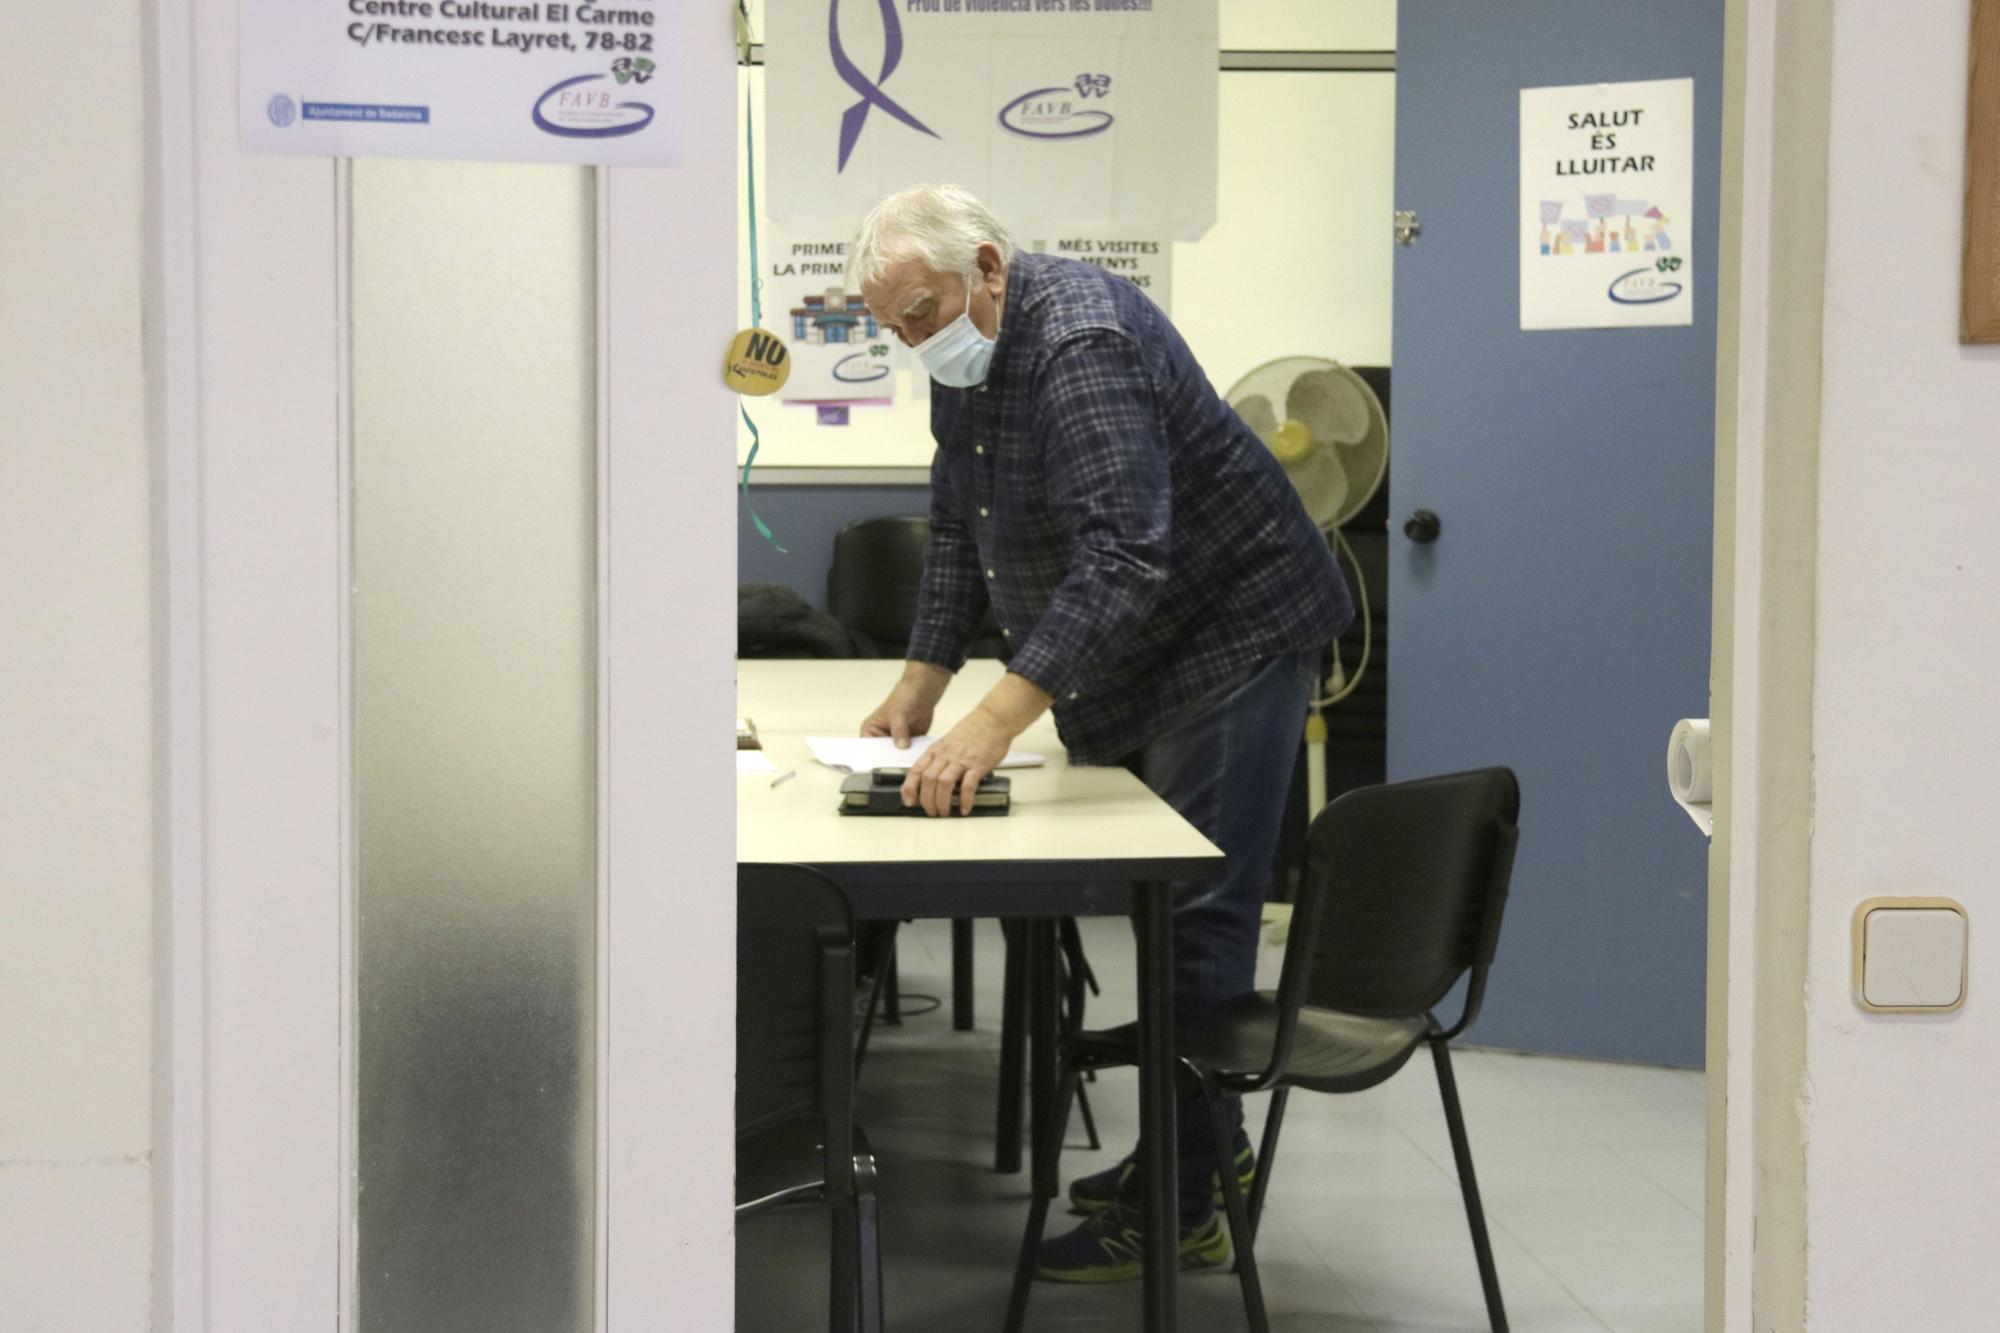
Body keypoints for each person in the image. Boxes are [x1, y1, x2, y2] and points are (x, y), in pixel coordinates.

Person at [847, 184, 1353, 1282]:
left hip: (1229, 639)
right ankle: (1194, 1157)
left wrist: (992, 720)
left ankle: (1183, 1209)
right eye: (892, 328)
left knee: (1198, 921)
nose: (911, 343)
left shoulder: (1075, 342)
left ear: (985, 267)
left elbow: (1125, 553)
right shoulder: (972, 353)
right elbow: (955, 517)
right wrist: (923, 681)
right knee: (1170, 916)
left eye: (922, 314)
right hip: (1147, 651)